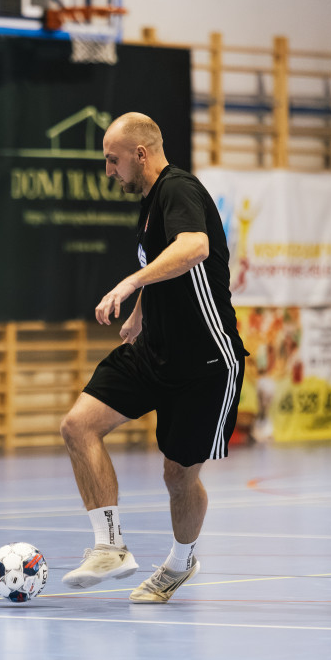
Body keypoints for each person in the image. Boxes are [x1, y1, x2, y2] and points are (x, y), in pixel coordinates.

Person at [59, 113, 247, 603]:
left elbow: (194, 247)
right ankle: (110, 546)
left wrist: (130, 282)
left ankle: (181, 563)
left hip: (205, 362)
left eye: (112, 159)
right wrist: (141, 314)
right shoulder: (148, 207)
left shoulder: (178, 189)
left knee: (177, 475)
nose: (108, 171)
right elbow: (163, 267)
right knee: (78, 425)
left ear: (140, 154)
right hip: (153, 352)